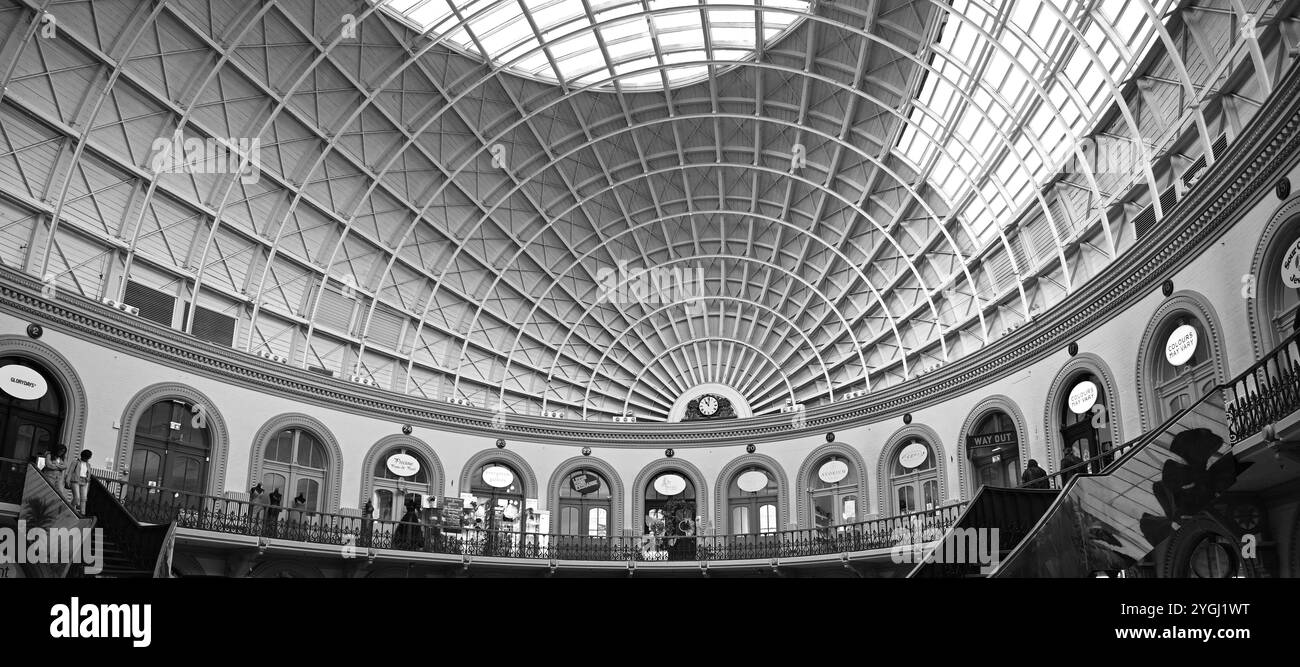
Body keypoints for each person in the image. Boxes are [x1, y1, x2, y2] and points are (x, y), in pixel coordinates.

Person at [65, 449, 92, 514]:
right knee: (77, 498)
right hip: (75, 480)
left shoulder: (88, 465)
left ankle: (82, 513)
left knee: (84, 498)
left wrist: (88, 480)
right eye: (87, 457)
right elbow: (70, 471)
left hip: (85, 481)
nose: (87, 459)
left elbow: (88, 473)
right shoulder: (75, 462)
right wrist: (67, 480)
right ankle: (70, 509)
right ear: (83, 456)